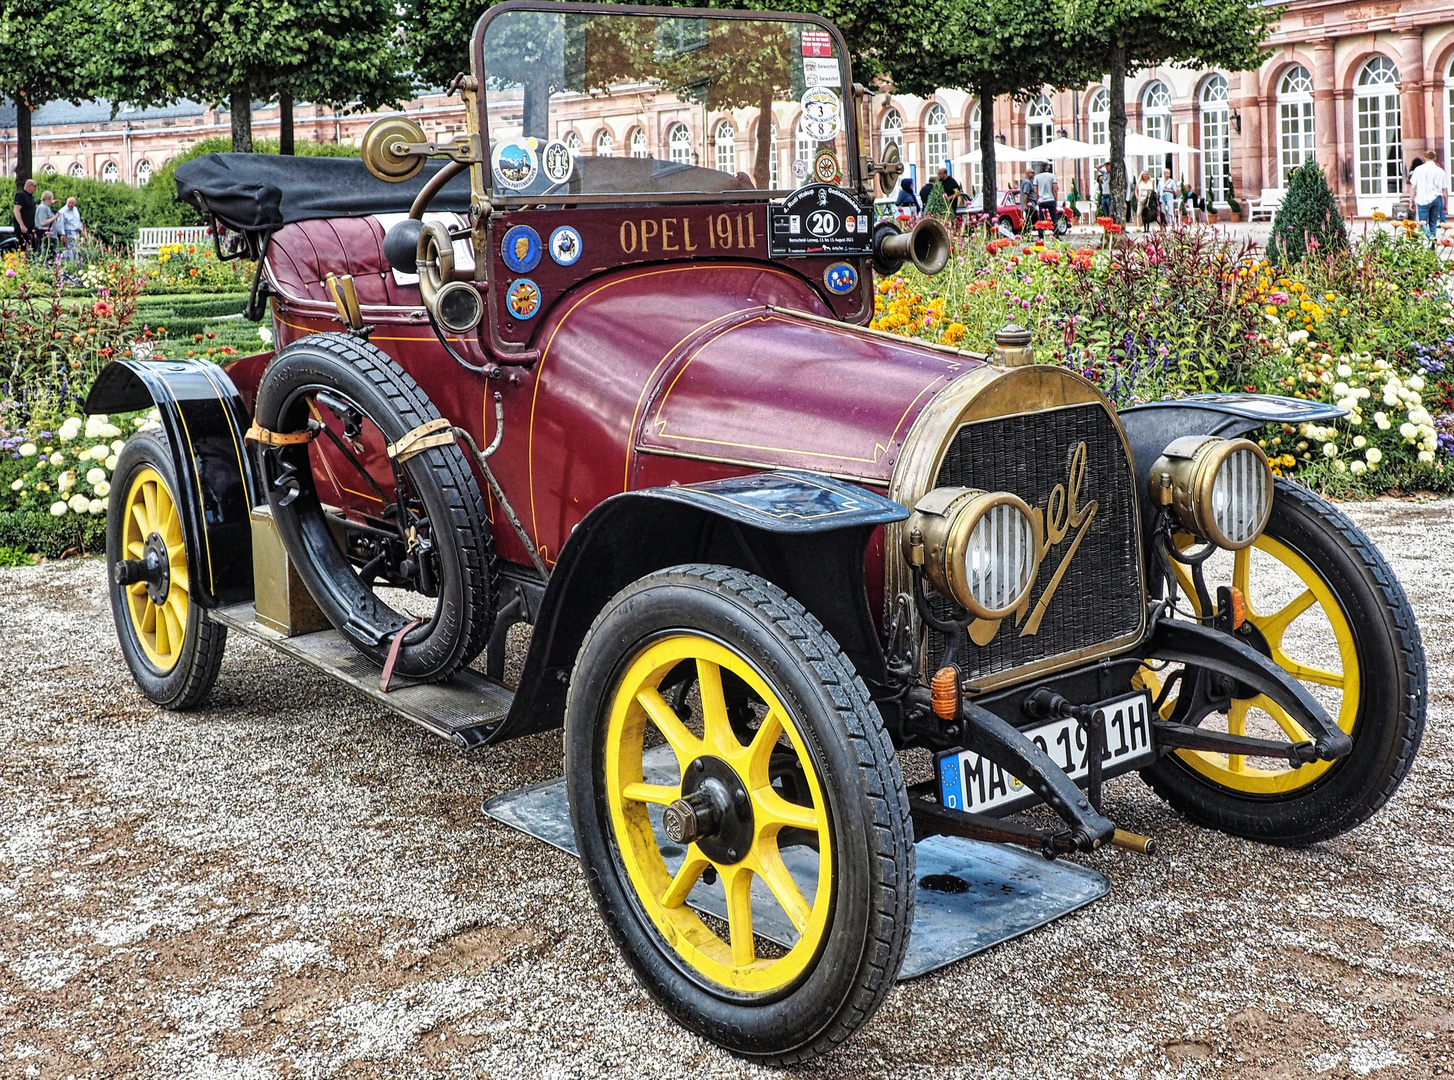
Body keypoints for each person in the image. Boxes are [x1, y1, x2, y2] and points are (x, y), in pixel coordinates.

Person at [1410, 152, 1449, 240]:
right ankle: (1432, 243)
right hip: (1436, 198)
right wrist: (1446, 204)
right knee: (1433, 222)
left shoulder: (1418, 170)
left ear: (1425, 157)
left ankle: (1430, 237)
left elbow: (1413, 187)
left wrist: (1411, 201)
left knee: (1422, 222)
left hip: (1422, 198)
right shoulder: (1440, 171)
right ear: (1435, 158)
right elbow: (1445, 190)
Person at [1032, 162, 1058, 239]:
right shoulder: (1052, 176)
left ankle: (1041, 236)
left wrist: (1037, 199)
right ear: (1047, 168)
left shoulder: (1037, 177)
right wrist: (1055, 199)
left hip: (1041, 200)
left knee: (1041, 219)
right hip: (1050, 199)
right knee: (1054, 218)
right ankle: (1056, 234)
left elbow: (1035, 190)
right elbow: (1055, 189)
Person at [12, 178, 37, 250]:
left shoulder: (30, 197)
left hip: (30, 227)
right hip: (23, 227)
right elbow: (16, 210)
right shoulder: (21, 195)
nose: (35, 189)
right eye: (34, 186)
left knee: (32, 247)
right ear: (29, 186)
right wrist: (21, 225)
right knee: (22, 247)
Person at [33, 191, 57, 255]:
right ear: (49, 198)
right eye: (52, 198)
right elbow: (43, 222)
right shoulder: (42, 208)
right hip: (44, 236)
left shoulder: (46, 207)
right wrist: (55, 217)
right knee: (44, 254)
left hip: (50, 237)